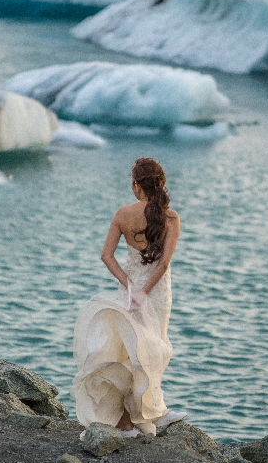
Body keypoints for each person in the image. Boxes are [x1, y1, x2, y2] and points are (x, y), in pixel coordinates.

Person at [72, 157, 186, 438]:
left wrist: (132, 287)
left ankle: (132, 421)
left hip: (131, 291)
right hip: (157, 293)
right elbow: (163, 264)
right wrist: (145, 292)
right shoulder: (170, 218)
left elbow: (106, 256)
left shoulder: (123, 214)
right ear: (160, 184)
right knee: (152, 349)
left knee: (129, 352)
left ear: (137, 185)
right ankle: (148, 416)